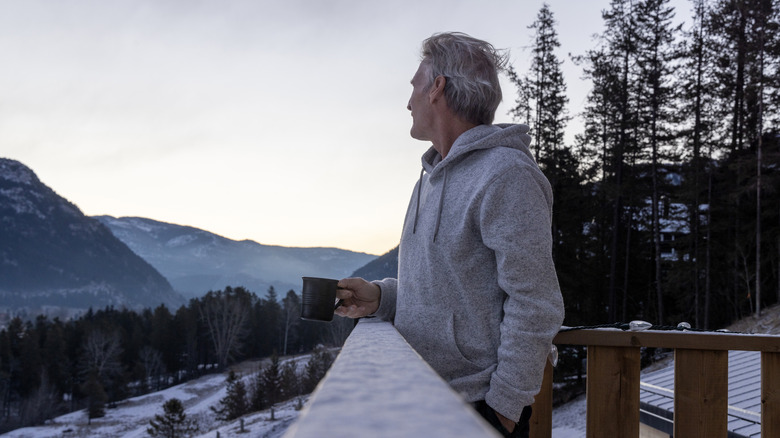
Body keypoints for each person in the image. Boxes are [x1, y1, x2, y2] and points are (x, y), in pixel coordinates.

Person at [335, 32, 564, 438]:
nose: (408, 103)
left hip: (474, 410)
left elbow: (536, 301)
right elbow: (451, 289)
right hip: (421, 401)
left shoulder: (507, 175)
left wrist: (504, 409)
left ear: (436, 87)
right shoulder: (428, 180)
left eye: (413, 87)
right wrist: (382, 298)